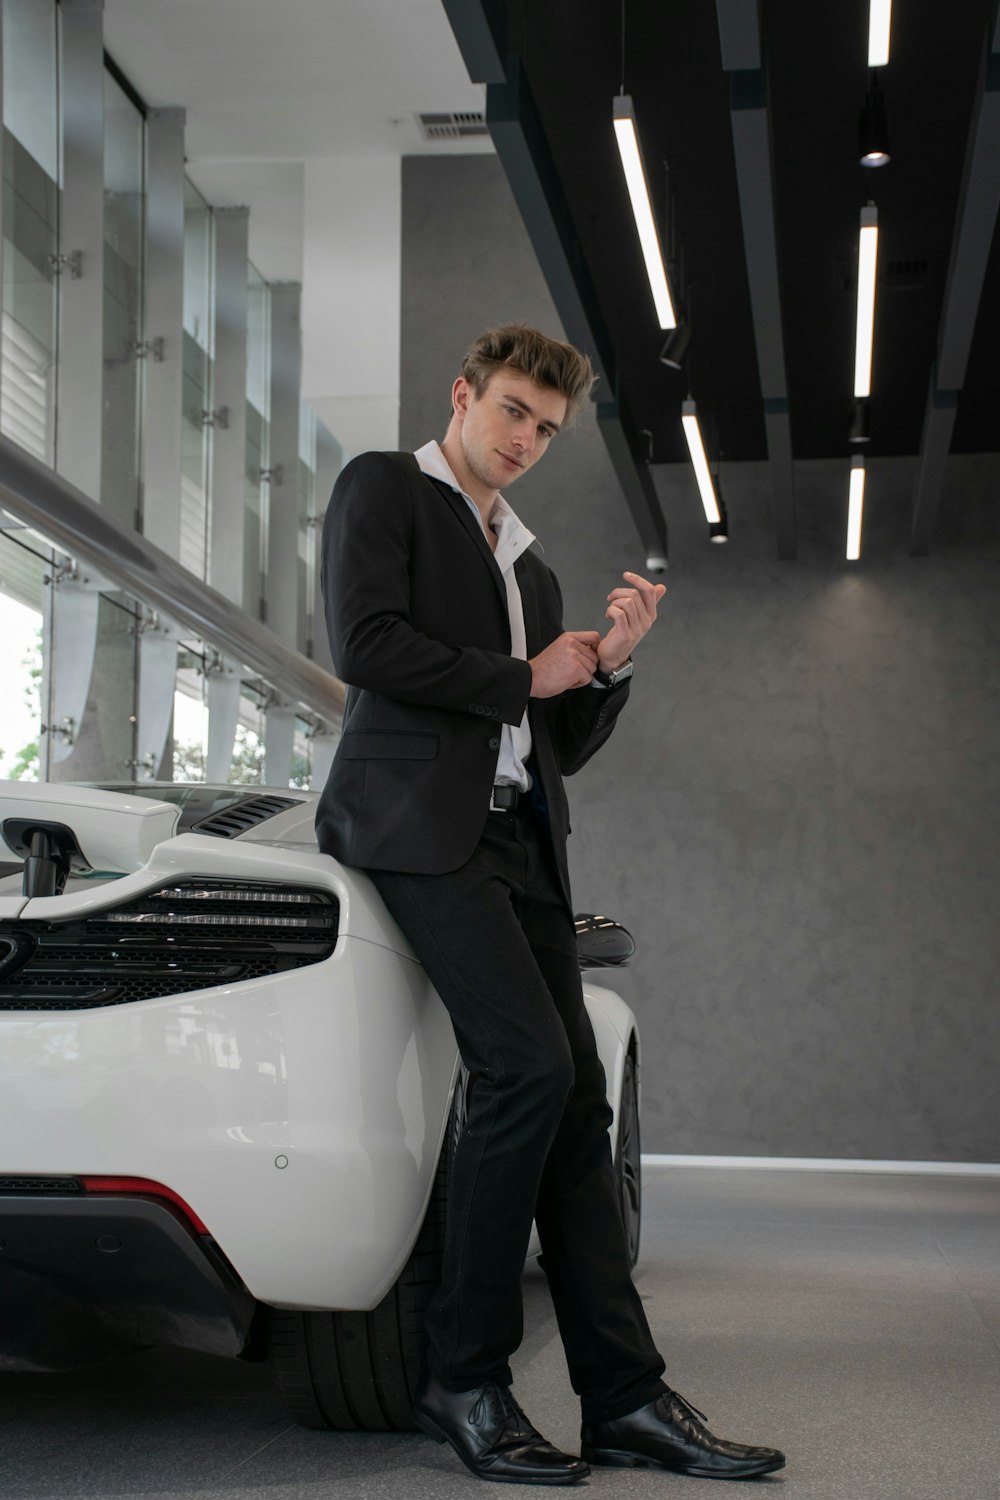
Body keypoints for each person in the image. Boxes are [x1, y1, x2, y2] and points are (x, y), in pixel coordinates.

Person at [315, 324, 784, 1485]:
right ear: (464, 395)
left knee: (573, 1100)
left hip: (519, 842)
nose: (525, 439)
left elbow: (549, 739)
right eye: (513, 411)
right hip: (415, 827)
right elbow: (367, 645)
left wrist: (607, 664)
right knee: (526, 1068)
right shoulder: (386, 488)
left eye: (545, 428)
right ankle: (461, 1376)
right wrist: (529, 675)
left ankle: (623, 1397)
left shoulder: (528, 569)